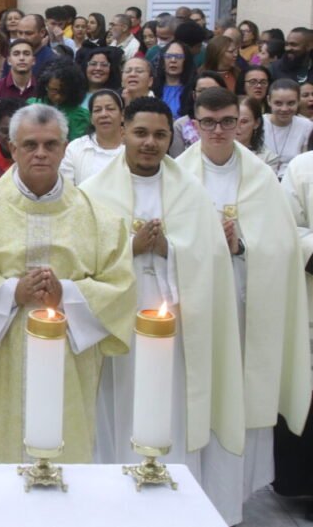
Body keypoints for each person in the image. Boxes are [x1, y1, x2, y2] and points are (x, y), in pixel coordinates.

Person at [0, 103, 135, 462]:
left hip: (68, 357)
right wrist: (12, 292)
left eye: (50, 144)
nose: (40, 153)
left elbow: (119, 284)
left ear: (65, 147)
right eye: (30, 145)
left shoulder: (96, 215)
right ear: (13, 148)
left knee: (62, 451)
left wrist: (67, 294)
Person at [80, 98, 245, 524]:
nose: (150, 143)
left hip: (177, 322)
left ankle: (174, 505)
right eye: (141, 133)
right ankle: (115, 504)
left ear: (171, 138)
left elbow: (211, 259)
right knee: (118, 409)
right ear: (122, 134)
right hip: (117, 324)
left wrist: (169, 249)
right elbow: (80, 263)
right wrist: (130, 249)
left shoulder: (192, 193)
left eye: (159, 135)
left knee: (170, 407)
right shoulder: (94, 192)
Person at [177, 88, 311, 524]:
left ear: (244, 123)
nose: (218, 130)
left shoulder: (260, 178)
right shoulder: (177, 174)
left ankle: (229, 504)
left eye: (228, 121)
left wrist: (241, 246)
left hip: (241, 309)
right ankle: (189, 495)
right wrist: (202, 244)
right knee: (195, 399)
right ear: (194, 123)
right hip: (193, 310)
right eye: (209, 122)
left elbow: (283, 247)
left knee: (234, 398)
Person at [59, 89, 125, 185]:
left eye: (110, 109)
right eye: (97, 110)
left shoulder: (133, 147)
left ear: (122, 115)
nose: (104, 114)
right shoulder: (76, 148)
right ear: (91, 118)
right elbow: (66, 189)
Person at [28, 58, 90, 140]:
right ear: (45, 86)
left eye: (64, 92)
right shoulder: (31, 106)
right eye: (53, 90)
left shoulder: (80, 116)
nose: (58, 97)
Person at [262, 79, 313, 177]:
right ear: (269, 100)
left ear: (298, 101)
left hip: (294, 181)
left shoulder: (306, 126)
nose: (284, 109)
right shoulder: (259, 124)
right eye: (278, 103)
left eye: (290, 103)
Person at [235, 95, 279, 170]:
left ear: (256, 123)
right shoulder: (214, 152)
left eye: (244, 121)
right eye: (232, 120)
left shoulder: (268, 158)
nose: (237, 126)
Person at [152, 41, 194, 117]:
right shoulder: (153, 88)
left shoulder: (193, 90)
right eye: (168, 56)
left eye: (178, 57)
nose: (173, 60)